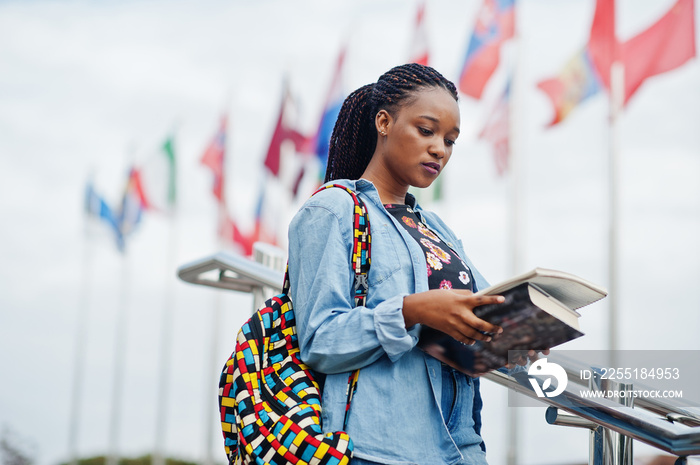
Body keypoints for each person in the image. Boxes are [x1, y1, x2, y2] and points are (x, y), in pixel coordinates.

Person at [287, 63, 506, 465]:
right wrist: (413, 310)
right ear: (384, 122)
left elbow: (480, 310)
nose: (440, 148)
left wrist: (521, 329)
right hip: (377, 449)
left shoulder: (435, 227)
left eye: (451, 140)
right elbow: (319, 340)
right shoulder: (333, 210)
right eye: (427, 130)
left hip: (461, 447)